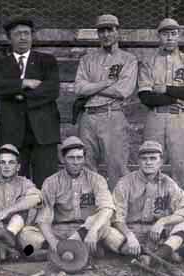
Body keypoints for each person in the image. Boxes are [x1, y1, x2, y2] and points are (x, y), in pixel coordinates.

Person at [18, 136, 125, 258]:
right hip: (60, 230)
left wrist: (93, 231)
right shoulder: (51, 182)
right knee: (26, 236)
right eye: (71, 158)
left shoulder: (96, 179)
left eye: (79, 158)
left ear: (84, 159)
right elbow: (43, 219)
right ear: (63, 159)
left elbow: (107, 209)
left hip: (87, 229)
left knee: (106, 227)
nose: (76, 162)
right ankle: (75, 251)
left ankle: (61, 253)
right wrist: (54, 243)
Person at [138, 18, 184, 200]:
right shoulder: (149, 62)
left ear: (178, 35)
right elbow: (146, 97)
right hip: (156, 117)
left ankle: (183, 211)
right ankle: (150, 206)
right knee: (150, 161)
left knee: (181, 165)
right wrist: (177, 97)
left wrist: (164, 89)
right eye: (165, 33)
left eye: (173, 33)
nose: (169, 38)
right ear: (159, 35)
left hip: (180, 118)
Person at [0, 17, 60, 189]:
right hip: (13, 130)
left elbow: (52, 90)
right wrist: (23, 83)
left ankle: (44, 215)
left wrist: (18, 95)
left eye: (26, 33)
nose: (22, 38)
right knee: (15, 181)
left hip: (43, 131)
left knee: (46, 180)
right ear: (9, 38)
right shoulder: (0, 64)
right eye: (17, 34)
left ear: (32, 36)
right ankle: (18, 214)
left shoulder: (47, 61)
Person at [74, 14, 137, 191]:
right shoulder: (87, 59)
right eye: (102, 30)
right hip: (88, 117)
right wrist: (104, 84)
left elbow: (122, 90)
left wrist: (92, 87)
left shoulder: (128, 59)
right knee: (86, 165)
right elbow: (79, 88)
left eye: (110, 29)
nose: (106, 34)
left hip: (112, 114)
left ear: (118, 32)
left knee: (116, 165)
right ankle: (93, 208)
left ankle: (118, 210)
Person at [112, 140, 184, 265]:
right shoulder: (125, 182)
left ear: (160, 162)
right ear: (138, 161)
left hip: (157, 234)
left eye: (153, 158)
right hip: (131, 233)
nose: (148, 162)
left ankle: (152, 258)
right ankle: (163, 253)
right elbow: (116, 217)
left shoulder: (169, 183)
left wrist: (163, 221)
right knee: (106, 231)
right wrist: (129, 236)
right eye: (144, 158)